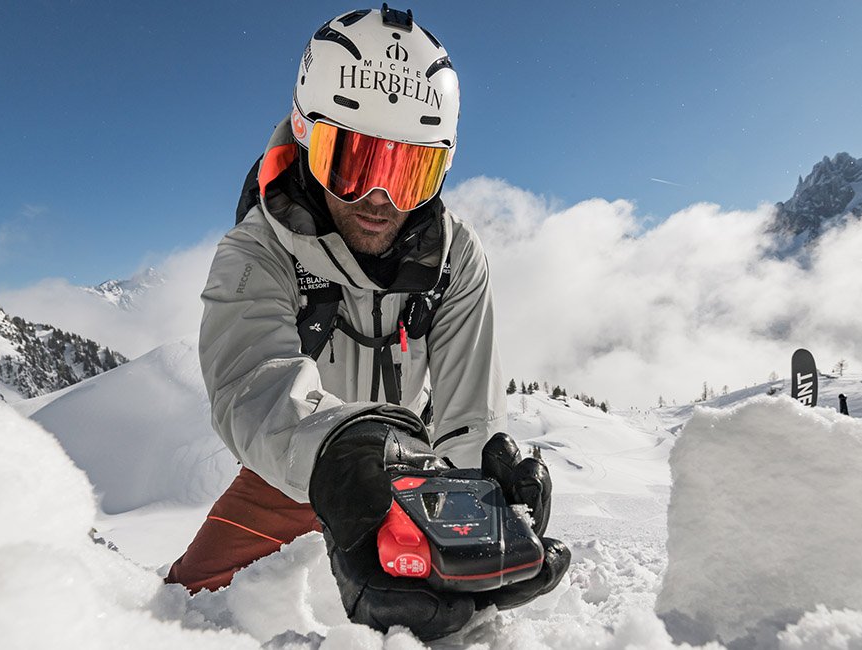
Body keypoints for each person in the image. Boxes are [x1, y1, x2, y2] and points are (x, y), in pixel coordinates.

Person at [164, 6, 570, 640]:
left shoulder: (455, 258)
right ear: (307, 138)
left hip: (415, 471)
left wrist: (483, 488)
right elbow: (253, 387)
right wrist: (341, 459)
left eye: (410, 172)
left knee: (451, 613)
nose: (380, 199)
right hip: (297, 465)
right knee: (184, 610)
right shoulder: (257, 251)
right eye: (352, 163)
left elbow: (468, 416)